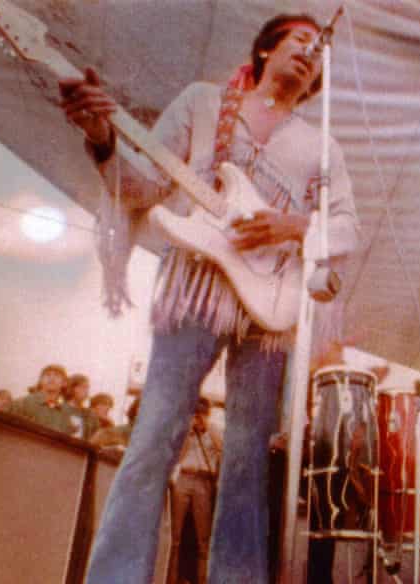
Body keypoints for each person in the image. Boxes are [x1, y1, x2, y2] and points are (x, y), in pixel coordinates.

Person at [58, 11, 358, 584]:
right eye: (298, 41)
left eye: (316, 51)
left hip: (269, 309)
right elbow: (144, 181)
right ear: (266, 50)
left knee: (248, 459)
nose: (308, 52)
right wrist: (101, 136)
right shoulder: (203, 102)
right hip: (196, 287)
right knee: (154, 436)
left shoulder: (321, 147)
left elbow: (347, 226)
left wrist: (295, 226)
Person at [168, 397, 223, 584]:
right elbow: (178, 456)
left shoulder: (214, 430)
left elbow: (223, 449)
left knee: (203, 538)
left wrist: (208, 427)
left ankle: (202, 580)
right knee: (175, 536)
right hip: (184, 476)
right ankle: (170, 578)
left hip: (204, 480)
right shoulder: (186, 431)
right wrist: (187, 431)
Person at [8, 364, 77, 435]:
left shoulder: (66, 412)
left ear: (64, 383)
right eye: (47, 375)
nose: (52, 378)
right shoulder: (23, 403)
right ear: (40, 380)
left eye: (57, 375)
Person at [63, 373, 100, 440]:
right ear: (72, 388)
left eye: (87, 388)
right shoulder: (59, 408)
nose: (86, 391)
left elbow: (96, 439)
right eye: (83, 387)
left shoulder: (91, 415)